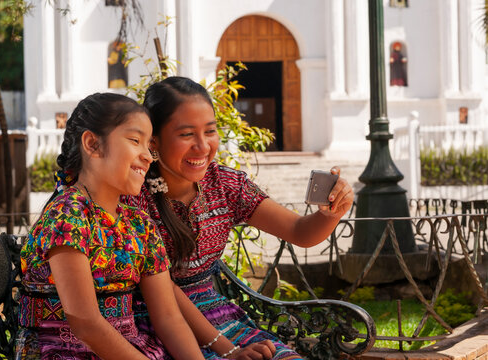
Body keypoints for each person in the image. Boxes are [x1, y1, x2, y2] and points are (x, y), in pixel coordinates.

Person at [122, 77, 355, 359]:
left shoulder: (225, 185)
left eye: (210, 131)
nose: (203, 146)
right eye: (186, 135)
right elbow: (164, 296)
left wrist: (331, 213)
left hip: (217, 314)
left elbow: (300, 232)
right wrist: (228, 350)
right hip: (151, 325)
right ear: (154, 142)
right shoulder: (132, 195)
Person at [16, 93, 206, 359]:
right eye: (134, 140)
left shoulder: (139, 224)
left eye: (148, 146)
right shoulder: (67, 216)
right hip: (64, 352)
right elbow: (86, 324)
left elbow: (169, 318)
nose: (148, 156)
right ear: (93, 144)